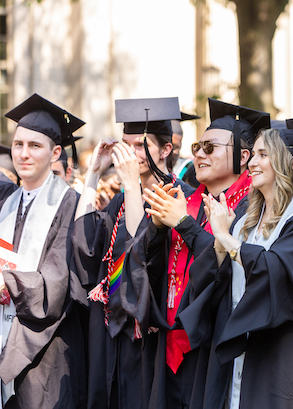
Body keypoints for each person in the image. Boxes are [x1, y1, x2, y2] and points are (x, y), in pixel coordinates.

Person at [177, 115, 293, 408]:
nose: (252, 163)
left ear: (290, 162)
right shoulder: (245, 222)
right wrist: (220, 246)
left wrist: (226, 238)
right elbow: (214, 285)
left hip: (281, 355)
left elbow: (276, 274)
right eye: (254, 154)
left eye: (264, 155)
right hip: (239, 350)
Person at [127, 100, 269, 408]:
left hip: (217, 338)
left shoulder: (254, 207)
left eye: (209, 147)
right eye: (196, 147)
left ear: (243, 156)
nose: (199, 154)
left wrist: (183, 223)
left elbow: (233, 268)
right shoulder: (187, 200)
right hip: (171, 335)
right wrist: (156, 229)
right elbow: (146, 266)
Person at [72, 97, 193, 409]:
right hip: (111, 327)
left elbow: (143, 254)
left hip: (149, 334)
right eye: (125, 145)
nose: (130, 154)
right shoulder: (121, 200)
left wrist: (129, 185)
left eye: (140, 146)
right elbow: (84, 248)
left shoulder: (180, 200)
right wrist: (94, 175)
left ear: (166, 150)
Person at [0, 94, 85, 408]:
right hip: (4, 335)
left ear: (55, 152)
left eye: (35, 146)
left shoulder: (70, 204)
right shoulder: (8, 201)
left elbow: (57, 279)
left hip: (46, 350)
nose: (23, 154)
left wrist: (7, 282)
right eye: (18, 144)